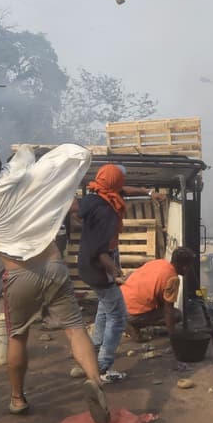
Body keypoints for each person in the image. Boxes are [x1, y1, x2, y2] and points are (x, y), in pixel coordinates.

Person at [0, 138, 109, 423]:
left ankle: (17, 398)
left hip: (18, 275)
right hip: (53, 264)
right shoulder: (20, 172)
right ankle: (95, 382)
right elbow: (34, 155)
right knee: (75, 329)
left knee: (18, 337)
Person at [78, 163, 131, 383]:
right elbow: (101, 251)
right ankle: (101, 367)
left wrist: (149, 193)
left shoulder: (93, 198)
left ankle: (93, 353)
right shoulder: (107, 210)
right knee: (118, 317)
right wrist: (116, 272)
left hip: (87, 266)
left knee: (104, 310)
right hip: (99, 269)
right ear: (115, 182)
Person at [123, 247, 194, 337]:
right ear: (184, 267)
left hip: (120, 302)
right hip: (131, 312)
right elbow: (168, 311)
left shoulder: (160, 263)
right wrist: (173, 336)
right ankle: (132, 324)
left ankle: (128, 320)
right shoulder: (173, 279)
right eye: (189, 266)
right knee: (176, 315)